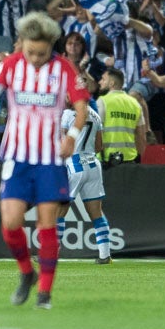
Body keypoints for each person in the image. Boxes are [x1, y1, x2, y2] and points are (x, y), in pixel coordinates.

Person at [0, 11, 90, 310]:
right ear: (21, 43)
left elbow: (81, 107)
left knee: (46, 223)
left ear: (52, 46)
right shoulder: (10, 65)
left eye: (42, 53)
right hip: (17, 156)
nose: (36, 58)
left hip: (50, 158)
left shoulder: (64, 69)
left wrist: (72, 136)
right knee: (10, 223)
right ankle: (27, 272)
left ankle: (44, 294)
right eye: (30, 52)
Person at [58, 104, 110, 263]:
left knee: (59, 210)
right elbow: (99, 146)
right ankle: (104, 255)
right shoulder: (95, 115)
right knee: (96, 213)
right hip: (93, 164)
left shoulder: (67, 114)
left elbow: (64, 144)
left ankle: (50, 253)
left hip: (74, 164)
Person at [97, 68, 147, 166]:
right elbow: (141, 136)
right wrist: (138, 158)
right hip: (130, 160)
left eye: (103, 79)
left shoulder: (102, 101)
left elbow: (97, 133)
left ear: (111, 83)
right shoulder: (135, 104)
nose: (100, 82)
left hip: (107, 161)